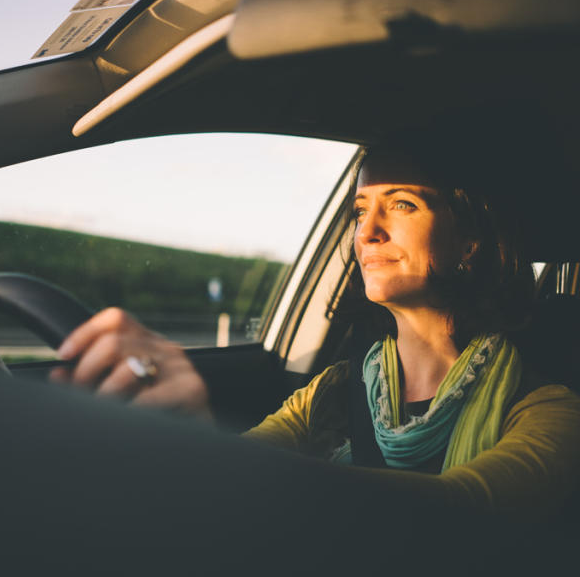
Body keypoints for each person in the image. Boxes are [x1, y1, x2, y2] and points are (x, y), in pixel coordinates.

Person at [52, 146, 580, 516]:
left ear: (469, 243)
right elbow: (246, 464)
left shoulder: (547, 409)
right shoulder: (332, 391)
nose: (368, 232)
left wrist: (211, 455)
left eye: (401, 204)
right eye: (360, 210)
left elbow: (461, 511)